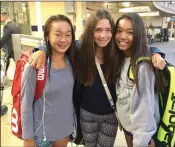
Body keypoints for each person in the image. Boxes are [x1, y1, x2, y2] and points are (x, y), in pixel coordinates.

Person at [27, 9, 165, 147]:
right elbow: (58, 44)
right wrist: (41, 50)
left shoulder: (117, 51)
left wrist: (156, 53)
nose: (103, 35)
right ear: (90, 30)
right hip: (86, 114)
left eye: (108, 30)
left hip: (110, 116)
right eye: (98, 30)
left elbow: (139, 47)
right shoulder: (80, 49)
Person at [21, 14, 77, 147]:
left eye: (68, 35)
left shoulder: (73, 62)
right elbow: (26, 104)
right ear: (47, 36)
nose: (63, 39)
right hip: (40, 134)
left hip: (64, 131)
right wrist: (28, 138)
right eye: (57, 34)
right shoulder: (35, 66)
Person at [115, 12, 164, 147]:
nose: (122, 36)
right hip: (129, 129)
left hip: (142, 137)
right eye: (119, 31)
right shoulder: (121, 58)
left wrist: (141, 142)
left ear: (138, 35)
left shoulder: (142, 67)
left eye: (129, 32)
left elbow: (145, 112)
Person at [0, 11, 21, 75]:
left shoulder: (7, 26)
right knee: (17, 62)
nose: (0, 19)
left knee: (5, 61)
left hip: (10, 49)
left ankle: (4, 75)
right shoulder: (14, 25)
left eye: (0, 17)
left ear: (4, 17)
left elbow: (4, 38)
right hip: (16, 47)